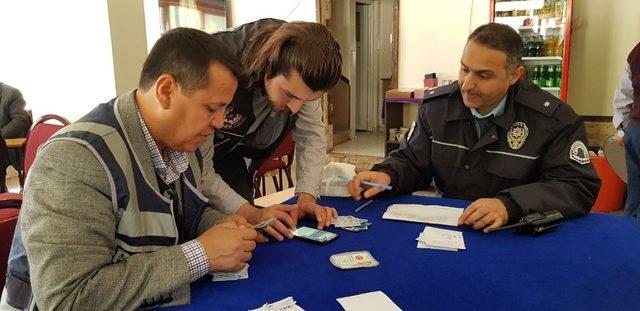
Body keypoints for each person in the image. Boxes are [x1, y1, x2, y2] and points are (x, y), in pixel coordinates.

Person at [1, 28, 257, 310]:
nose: (220, 123)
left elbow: (182, 212)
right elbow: (68, 299)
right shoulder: (73, 160)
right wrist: (200, 255)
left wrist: (221, 226)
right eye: (211, 108)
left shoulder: (184, 141)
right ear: (166, 91)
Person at [348, 23, 600, 232]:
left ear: (514, 75)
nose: (467, 85)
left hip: (515, 232)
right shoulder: (438, 107)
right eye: (464, 69)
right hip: (450, 228)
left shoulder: (552, 120)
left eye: (483, 75)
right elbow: (413, 163)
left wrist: (509, 205)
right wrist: (388, 174)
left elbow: (577, 185)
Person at [202, 18, 342, 241]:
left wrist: (307, 198)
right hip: (187, 157)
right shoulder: (216, 64)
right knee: (204, 228)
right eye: (290, 95)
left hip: (235, 152)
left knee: (247, 228)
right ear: (268, 68)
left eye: (306, 100)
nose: (295, 108)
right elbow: (200, 170)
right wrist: (250, 212)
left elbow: (311, 136)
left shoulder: (302, 73)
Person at [612, 41, 640, 219]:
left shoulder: (636, 52)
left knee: (635, 194)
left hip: (636, 131)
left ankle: (628, 241)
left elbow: (624, 94)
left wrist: (622, 130)